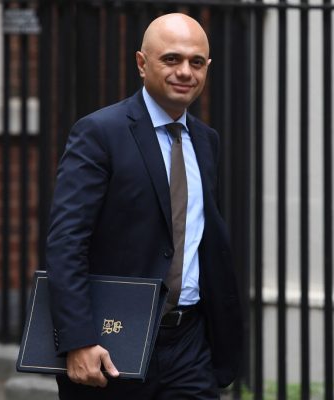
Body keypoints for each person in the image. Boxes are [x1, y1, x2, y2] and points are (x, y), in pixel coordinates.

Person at [46, 12, 243, 400]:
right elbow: (67, 242)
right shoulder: (100, 133)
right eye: (171, 59)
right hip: (115, 340)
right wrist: (78, 339)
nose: (185, 71)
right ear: (141, 63)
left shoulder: (207, 141)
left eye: (196, 62)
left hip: (189, 344)